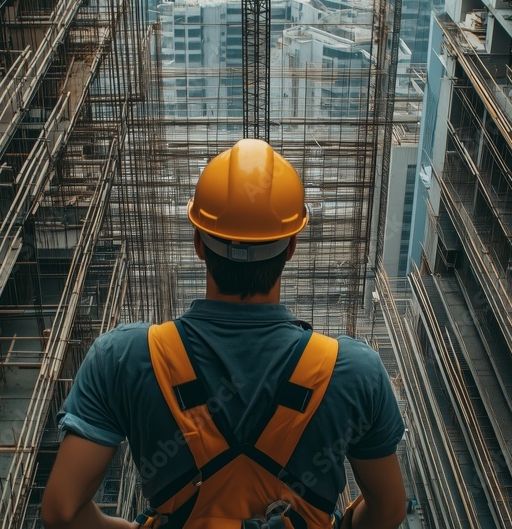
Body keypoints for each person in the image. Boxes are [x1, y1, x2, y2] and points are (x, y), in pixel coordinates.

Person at [42, 139, 407, 529]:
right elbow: (387, 511)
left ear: (199, 243)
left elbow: (63, 512)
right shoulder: (355, 371)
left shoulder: (123, 358)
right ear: (291, 247)